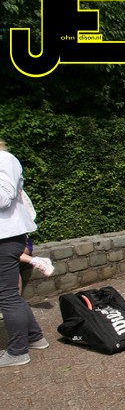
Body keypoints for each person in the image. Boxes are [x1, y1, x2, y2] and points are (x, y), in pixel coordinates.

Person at [0, 140, 50, 368]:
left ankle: (17, 351)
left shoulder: (4, 159)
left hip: (5, 237)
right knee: (9, 294)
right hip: (7, 236)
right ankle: (34, 337)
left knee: (6, 296)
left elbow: (4, 197)